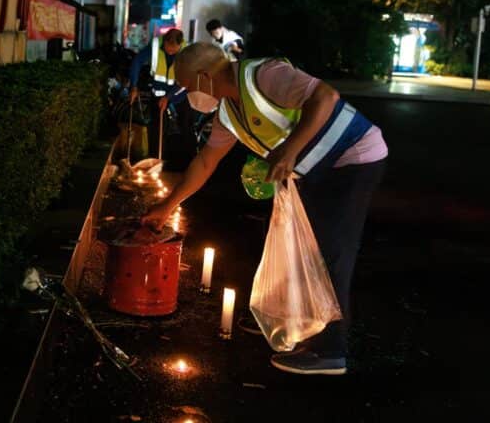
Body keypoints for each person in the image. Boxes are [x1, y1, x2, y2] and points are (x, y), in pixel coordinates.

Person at [143, 42, 388, 376]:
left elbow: (326, 97)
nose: (188, 95)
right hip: (313, 169)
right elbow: (205, 162)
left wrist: (289, 150)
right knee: (296, 246)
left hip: (353, 159)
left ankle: (330, 351)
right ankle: (285, 320)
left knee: (330, 253)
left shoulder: (264, 74)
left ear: (204, 76)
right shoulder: (228, 112)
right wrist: (166, 205)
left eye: (188, 85)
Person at [128, 29, 193, 165]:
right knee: (157, 129)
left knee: (185, 126)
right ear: (165, 42)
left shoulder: (187, 52)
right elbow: (137, 62)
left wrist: (168, 97)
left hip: (179, 93)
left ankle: (186, 163)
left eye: (174, 50)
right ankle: (155, 162)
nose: (171, 52)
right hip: (157, 94)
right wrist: (134, 86)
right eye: (169, 49)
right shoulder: (155, 46)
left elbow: (186, 80)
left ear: (180, 45)